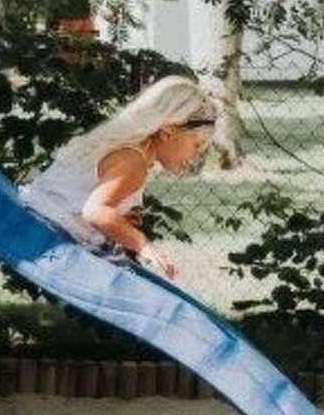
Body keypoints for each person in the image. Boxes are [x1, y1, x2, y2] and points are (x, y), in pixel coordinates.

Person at [19, 76, 221, 279]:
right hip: (47, 232)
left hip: (38, 216)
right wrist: (142, 245)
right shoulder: (133, 159)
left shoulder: (130, 150)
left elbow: (88, 198)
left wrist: (119, 217)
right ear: (169, 131)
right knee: (131, 285)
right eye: (196, 145)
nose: (195, 155)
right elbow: (95, 211)